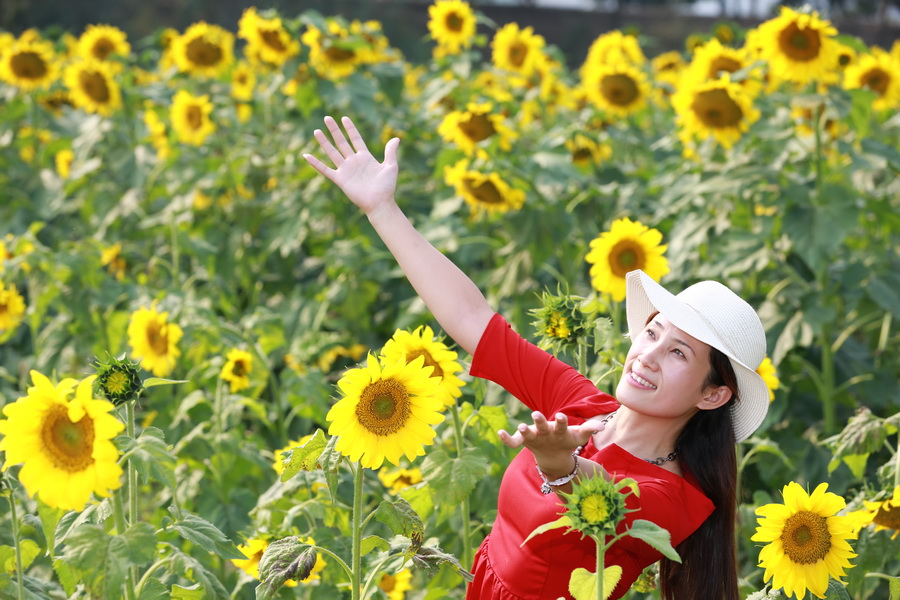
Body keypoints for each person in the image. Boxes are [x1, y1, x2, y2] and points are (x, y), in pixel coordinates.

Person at [304, 116, 770, 600]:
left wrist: (562, 466)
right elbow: (472, 318)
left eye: (678, 352)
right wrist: (383, 209)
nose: (646, 355)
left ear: (714, 394)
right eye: (651, 332)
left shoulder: (677, 498)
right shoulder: (581, 404)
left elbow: (609, 502)